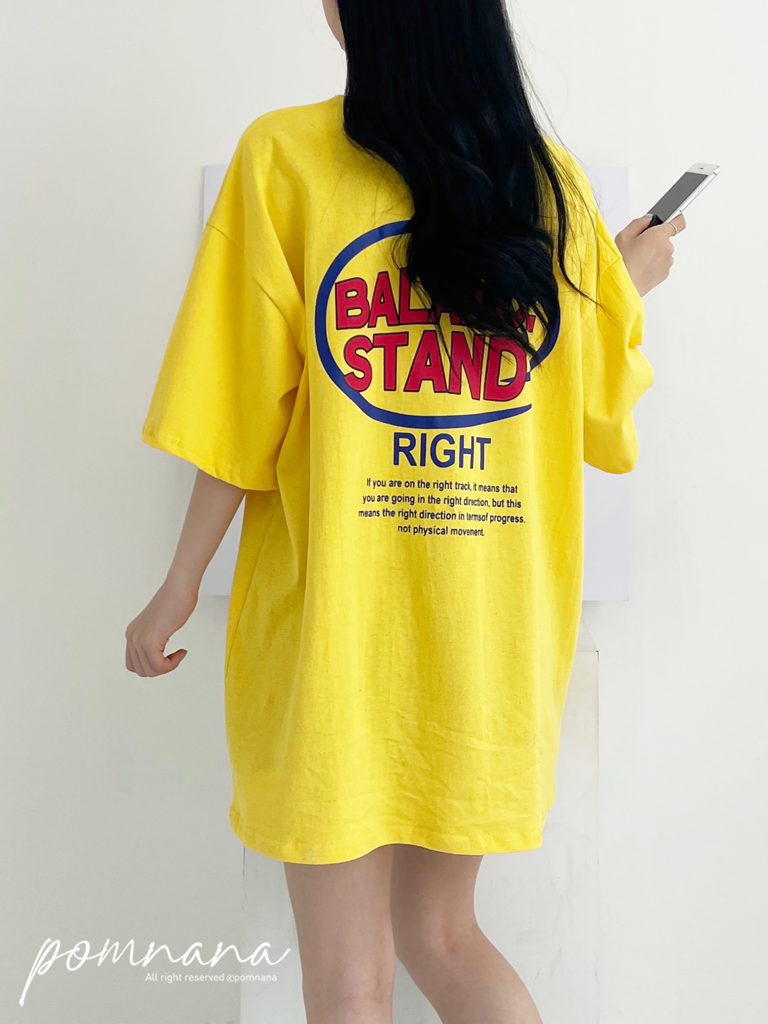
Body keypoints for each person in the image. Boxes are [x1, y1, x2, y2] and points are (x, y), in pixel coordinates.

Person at [125, 0, 684, 1020]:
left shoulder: (285, 158)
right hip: (487, 644)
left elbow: (236, 410)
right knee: (445, 935)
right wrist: (625, 282)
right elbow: (596, 408)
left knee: (348, 976)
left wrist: (177, 584)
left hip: (339, 639)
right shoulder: (548, 185)